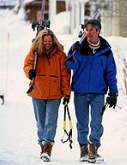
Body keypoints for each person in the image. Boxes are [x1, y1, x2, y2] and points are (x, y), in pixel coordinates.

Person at [65, 19, 118, 163]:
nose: (88, 33)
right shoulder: (78, 48)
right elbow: (68, 65)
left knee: (96, 123)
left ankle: (93, 148)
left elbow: (110, 73)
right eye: (86, 30)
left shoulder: (106, 51)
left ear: (98, 31)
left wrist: (113, 93)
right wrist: (74, 50)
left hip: (98, 93)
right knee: (82, 123)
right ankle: (83, 148)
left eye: (91, 30)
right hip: (80, 92)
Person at [23, 29, 71, 162]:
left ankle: (48, 146)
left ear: (53, 40)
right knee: (40, 123)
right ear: (41, 41)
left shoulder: (61, 55)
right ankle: (42, 144)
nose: (47, 43)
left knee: (51, 122)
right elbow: (27, 65)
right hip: (38, 91)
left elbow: (65, 75)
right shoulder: (35, 52)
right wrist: (30, 72)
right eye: (45, 41)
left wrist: (66, 93)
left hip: (55, 94)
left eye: (50, 41)